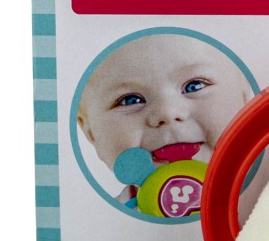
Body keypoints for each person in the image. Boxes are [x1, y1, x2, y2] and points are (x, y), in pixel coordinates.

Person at [77, 34, 250, 202]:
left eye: (195, 85)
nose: (167, 113)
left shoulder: (261, 201)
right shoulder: (104, 219)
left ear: (245, 96)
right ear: (90, 132)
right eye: (130, 100)